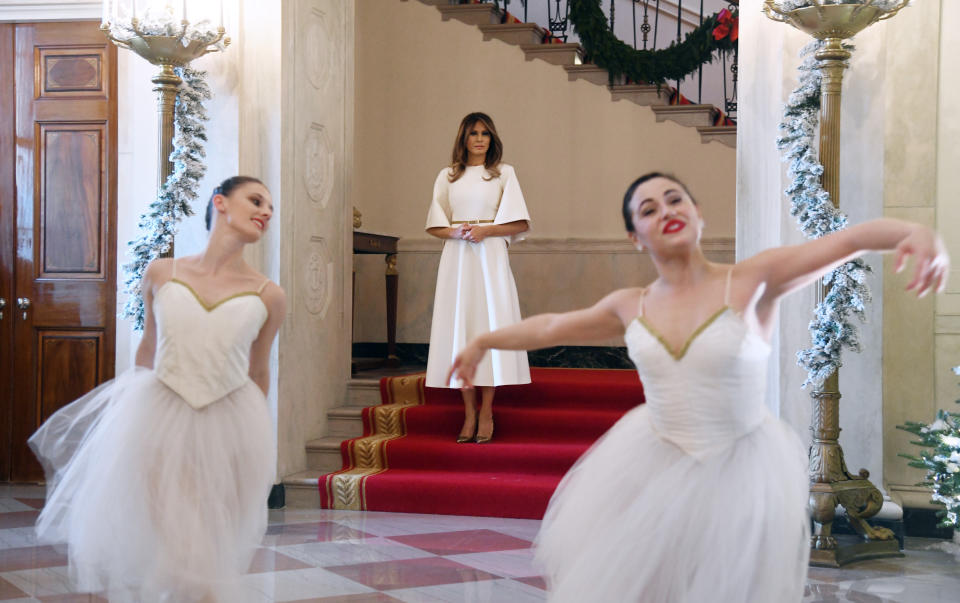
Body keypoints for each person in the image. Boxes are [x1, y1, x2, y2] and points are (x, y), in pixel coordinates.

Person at [447, 172, 949, 602]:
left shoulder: (753, 280)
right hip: (652, 464)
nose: (665, 210)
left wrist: (914, 230)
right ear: (635, 237)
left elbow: (844, 241)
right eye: (648, 208)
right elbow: (553, 327)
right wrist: (484, 340)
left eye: (674, 199)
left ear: (697, 213)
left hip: (740, 469)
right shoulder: (631, 303)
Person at [29, 176, 286, 603]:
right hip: (159, 412)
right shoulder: (161, 273)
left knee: (206, 538)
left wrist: (249, 439)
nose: (266, 213)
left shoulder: (269, 294)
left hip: (230, 418)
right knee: (171, 535)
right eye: (256, 201)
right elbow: (147, 349)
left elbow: (259, 372)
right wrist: (129, 423)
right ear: (220, 203)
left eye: (271, 209)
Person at [424, 112, 532, 443]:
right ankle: (468, 412)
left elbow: (521, 224)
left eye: (485, 133)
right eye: (473, 133)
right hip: (458, 259)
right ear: (464, 139)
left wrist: (486, 230)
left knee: (489, 328)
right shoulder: (448, 176)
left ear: (492, 138)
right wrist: (459, 234)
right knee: (462, 328)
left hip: (491, 256)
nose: (480, 139)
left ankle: (487, 410)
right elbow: (434, 223)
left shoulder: (503, 174)